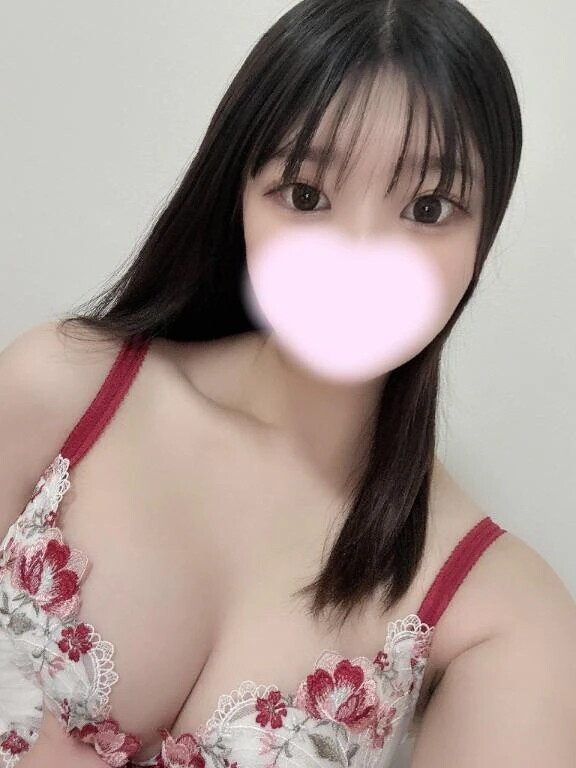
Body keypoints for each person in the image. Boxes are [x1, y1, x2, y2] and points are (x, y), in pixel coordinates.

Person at [1, 0, 575, 766]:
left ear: (482, 237)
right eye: (306, 194)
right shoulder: (58, 391)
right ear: (237, 198)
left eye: (428, 207)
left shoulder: (505, 615)